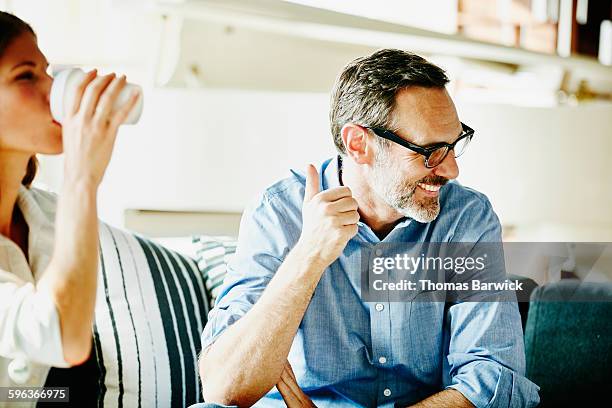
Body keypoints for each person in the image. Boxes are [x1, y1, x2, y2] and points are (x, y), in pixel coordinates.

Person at [197, 49, 540, 407]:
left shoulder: (466, 217)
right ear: (359, 144)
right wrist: (308, 256)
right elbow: (224, 390)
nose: (451, 170)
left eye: (454, 145)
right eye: (430, 151)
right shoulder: (278, 213)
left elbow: (493, 375)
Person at [0, 11, 139, 405]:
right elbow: (63, 335)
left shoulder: (45, 213)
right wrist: (82, 175)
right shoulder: (74, 195)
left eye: (47, 71)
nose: (54, 88)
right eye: (26, 75)